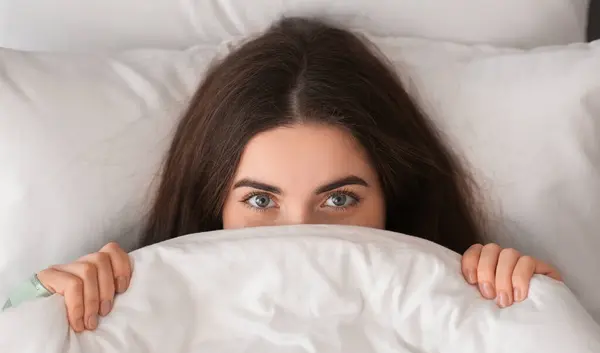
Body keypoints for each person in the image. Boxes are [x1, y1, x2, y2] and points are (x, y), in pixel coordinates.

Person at [2, 17, 562, 332]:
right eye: (260, 201)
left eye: (339, 200)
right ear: (213, 202)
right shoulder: (128, 310)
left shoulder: (464, 308)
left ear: (394, 199)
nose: (299, 233)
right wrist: (36, 312)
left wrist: (541, 314)